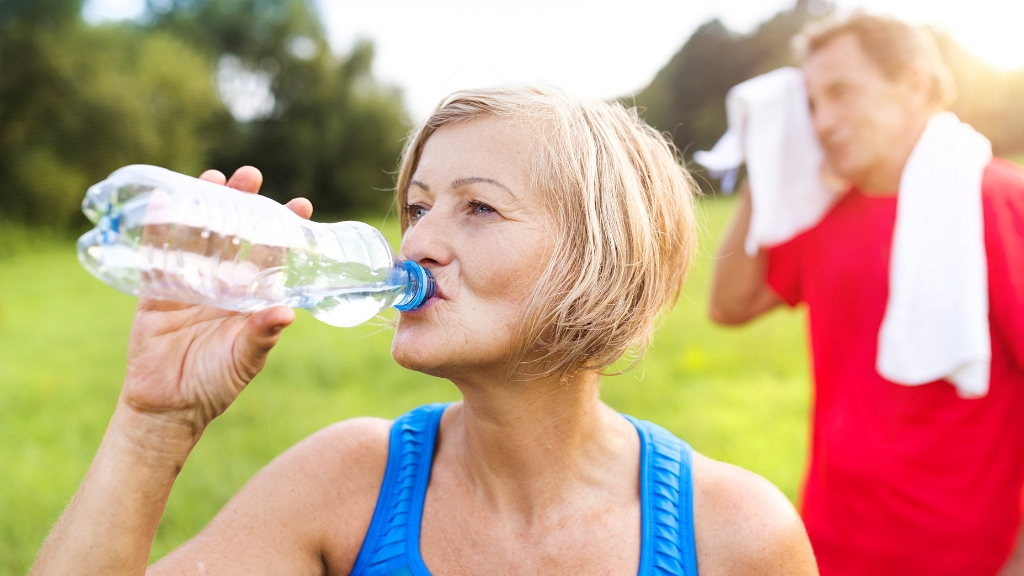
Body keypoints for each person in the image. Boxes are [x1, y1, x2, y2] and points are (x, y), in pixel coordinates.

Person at [31, 86, 817, 575]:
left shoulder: (735, 536)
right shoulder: (347, 484)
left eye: (477, 207)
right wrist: (152, 425)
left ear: (600, 258)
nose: (415, 243)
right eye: (417, 206)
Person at [709, 14, 1024, 576]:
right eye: (809, 103)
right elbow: (728, 307)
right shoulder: (825, 214)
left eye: (842, 93)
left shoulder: (997, 201)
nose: (823, 122)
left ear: (914, 85)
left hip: (970, 551)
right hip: (830, 539)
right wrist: (771, 163)